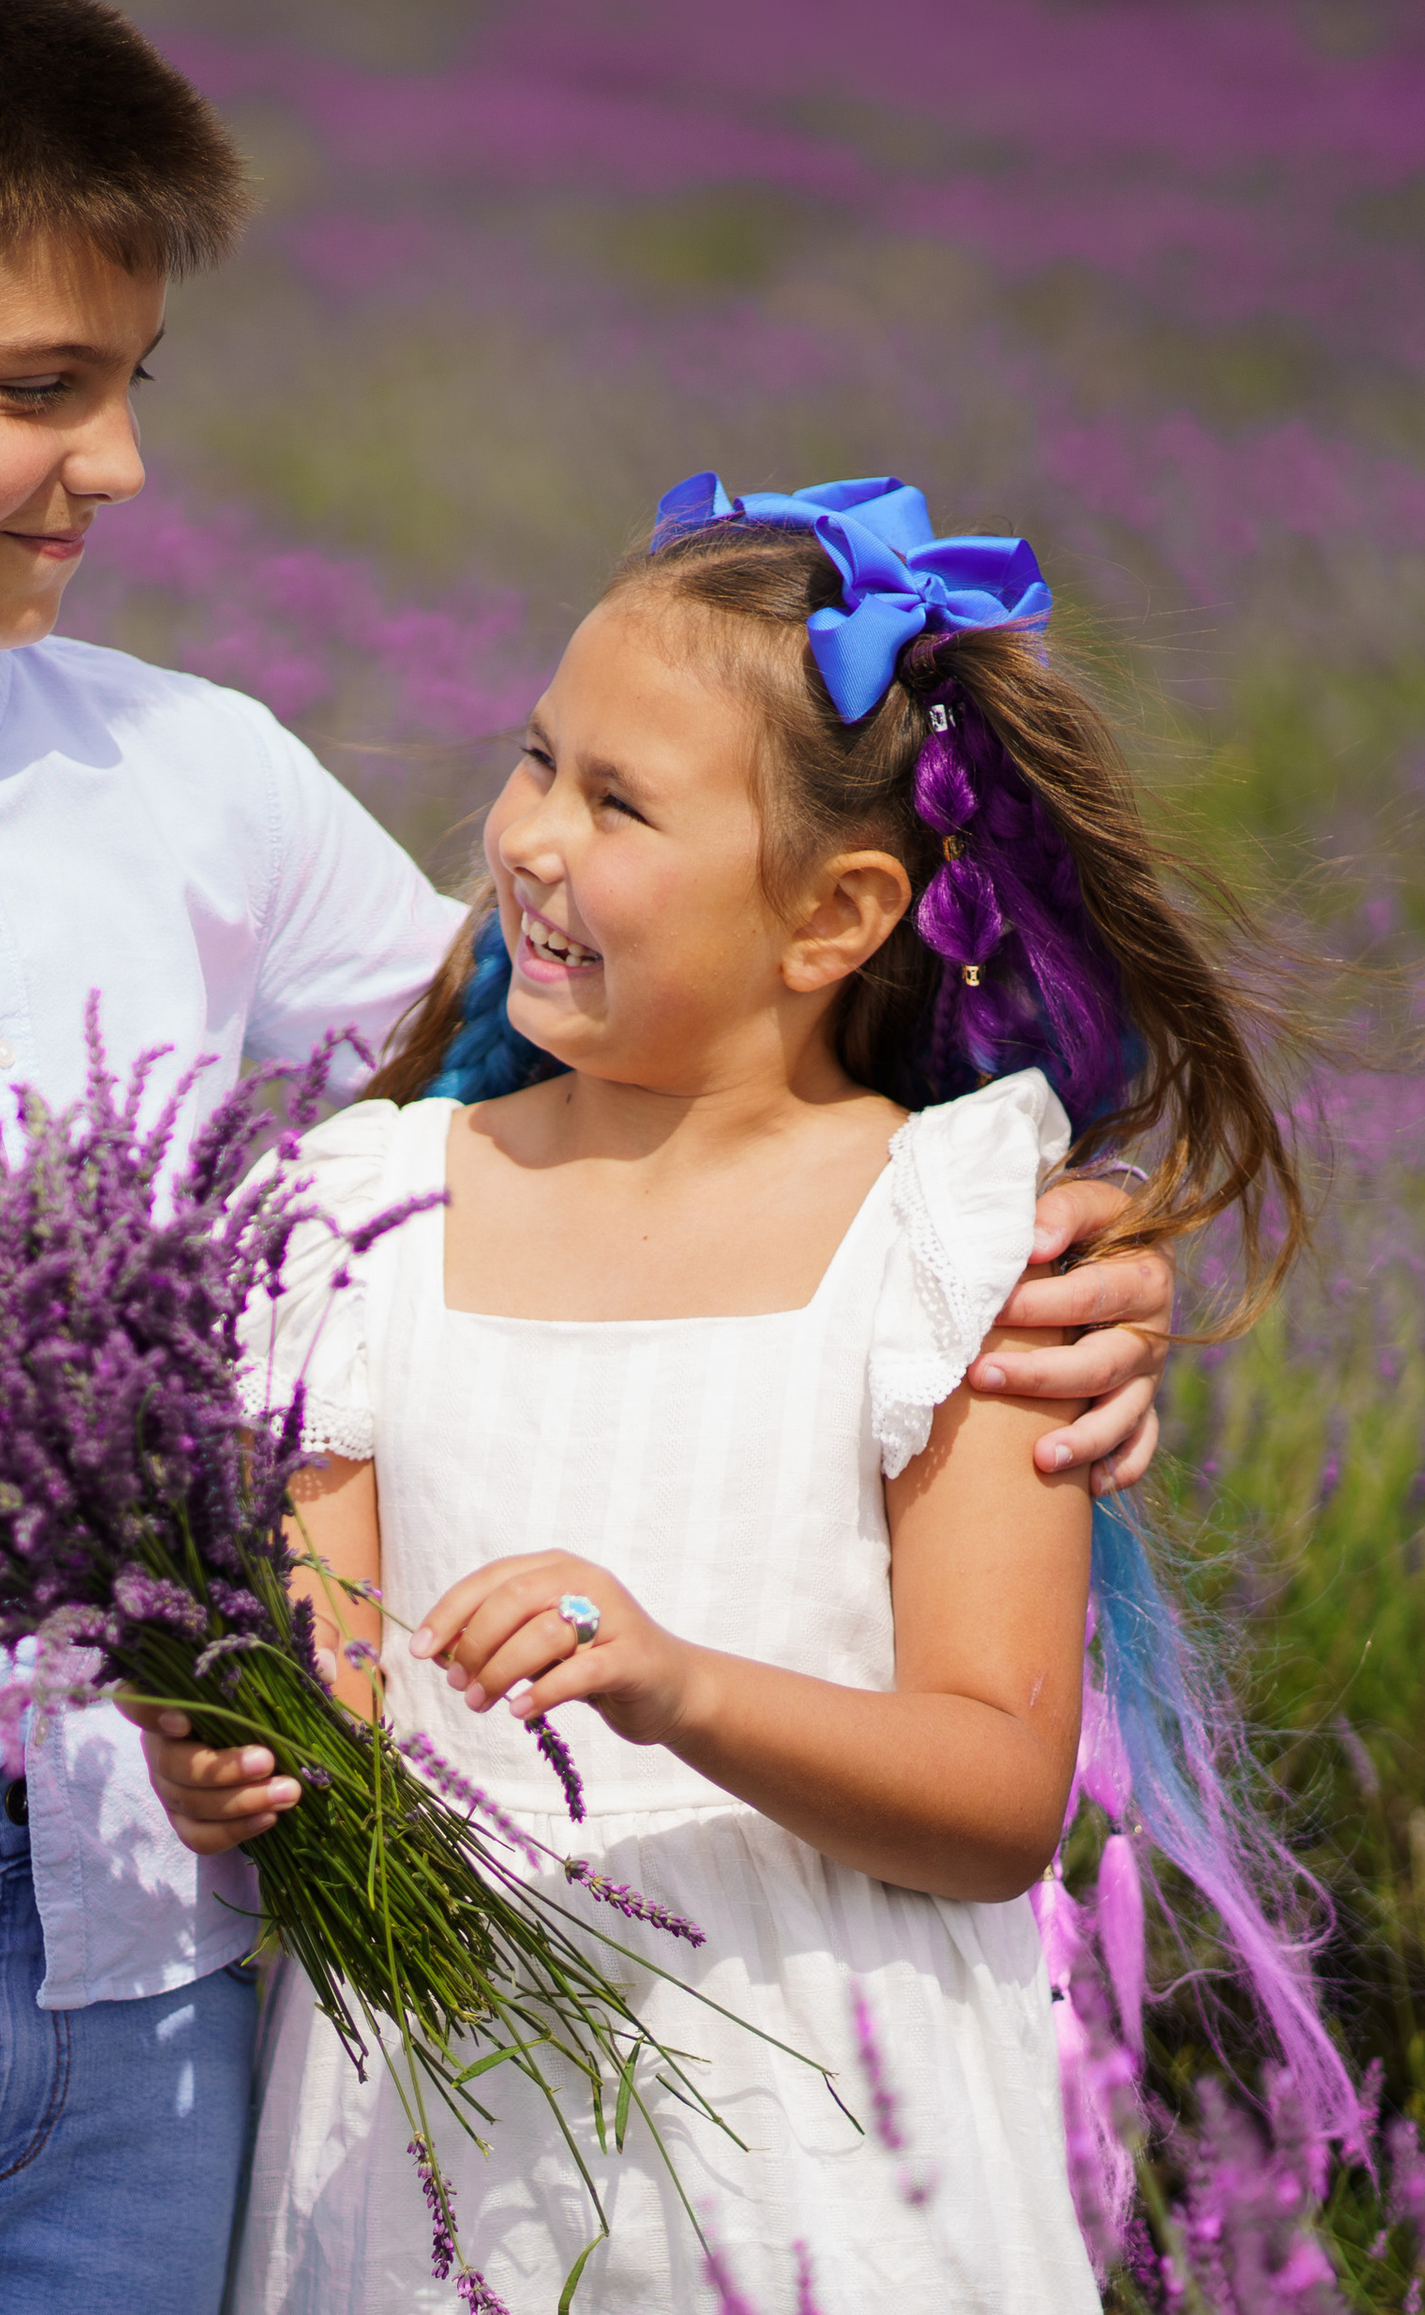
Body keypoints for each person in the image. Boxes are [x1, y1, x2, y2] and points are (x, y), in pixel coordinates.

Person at [0, 0, 1177, 2315]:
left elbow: (622, 1051)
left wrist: (1034, 1259)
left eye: (131, 381)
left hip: (159, 2003)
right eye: (39, 387)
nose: (116, 461)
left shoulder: (190, 775)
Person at [149, 477, 1347, 2312]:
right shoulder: (363, 1211)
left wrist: (676, 1683)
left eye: (618, 803)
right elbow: (333, 1705)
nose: (530, 839)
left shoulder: (950, 1235)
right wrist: (228, 1759)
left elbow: (995, 1789)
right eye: (537, 761)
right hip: (433, 2157)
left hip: (830, 2169)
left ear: (834, 915)